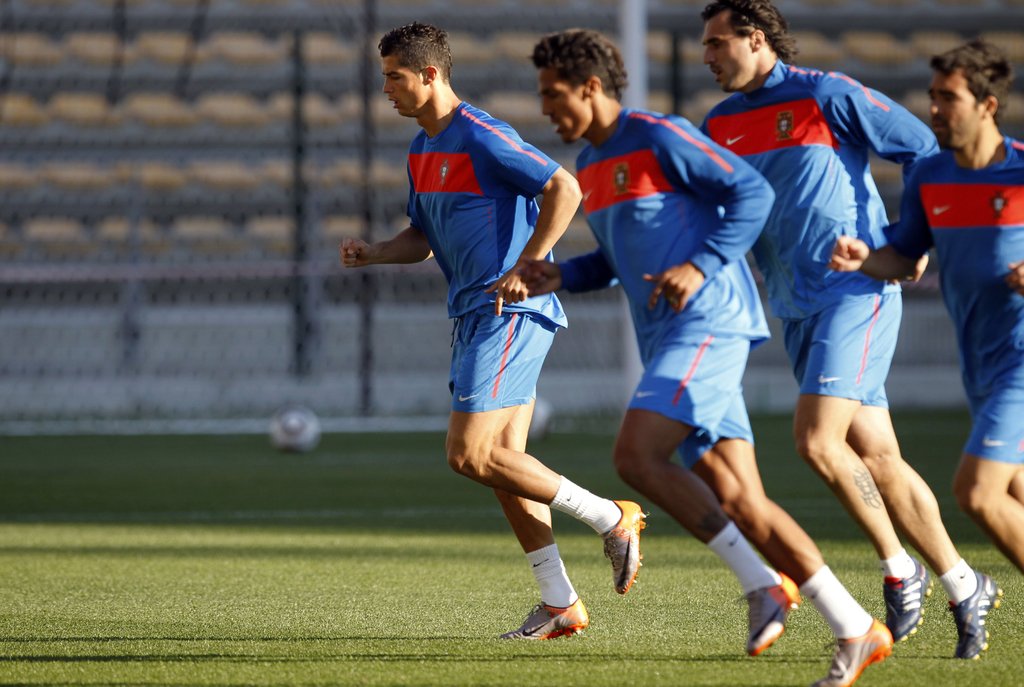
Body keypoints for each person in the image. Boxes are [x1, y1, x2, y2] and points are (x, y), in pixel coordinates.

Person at [529, 28, 891, 686]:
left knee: (634, 456)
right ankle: (854, 625)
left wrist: (699, 265)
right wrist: (562, 275)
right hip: (672, 338)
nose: (546, 109)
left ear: (591, 87)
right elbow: (617, 257)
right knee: (742, 500)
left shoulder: (660, 135)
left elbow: (752, 193)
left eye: (554, 95)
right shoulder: (591, 164)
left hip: (709, 325)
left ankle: (760, 584)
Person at [699, 0, 994, 658]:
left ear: (755, 38)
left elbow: (923, 149)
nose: (707, 56)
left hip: (856, 291)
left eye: (718, 43)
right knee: (877, 456)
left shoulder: (826, 94)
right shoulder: (719, 124)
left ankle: (898, 568)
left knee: (817, 440)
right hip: (794, 304)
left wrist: (909, 241)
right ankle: (963, 581)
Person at [340, 22, 646, 641]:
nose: (386, 89)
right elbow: (423, 239)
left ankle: (610, 515)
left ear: (430, 75)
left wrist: (528, 266)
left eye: (395, 77)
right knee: (503, 465)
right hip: (475, 314)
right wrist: (374, 253)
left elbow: (564, 187)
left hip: (509, 313)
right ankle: (559, 602)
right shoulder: (421, 151)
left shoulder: (481, 134)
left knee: (468, 454)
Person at [830, 38, 1015, 658]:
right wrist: (865, 258)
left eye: (948, 98)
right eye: (932, 96)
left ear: (987, 105)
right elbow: (903, 257)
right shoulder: (932, 177)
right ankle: (965, 586)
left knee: (978, 493)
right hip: (981, 361)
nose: (934, 108)